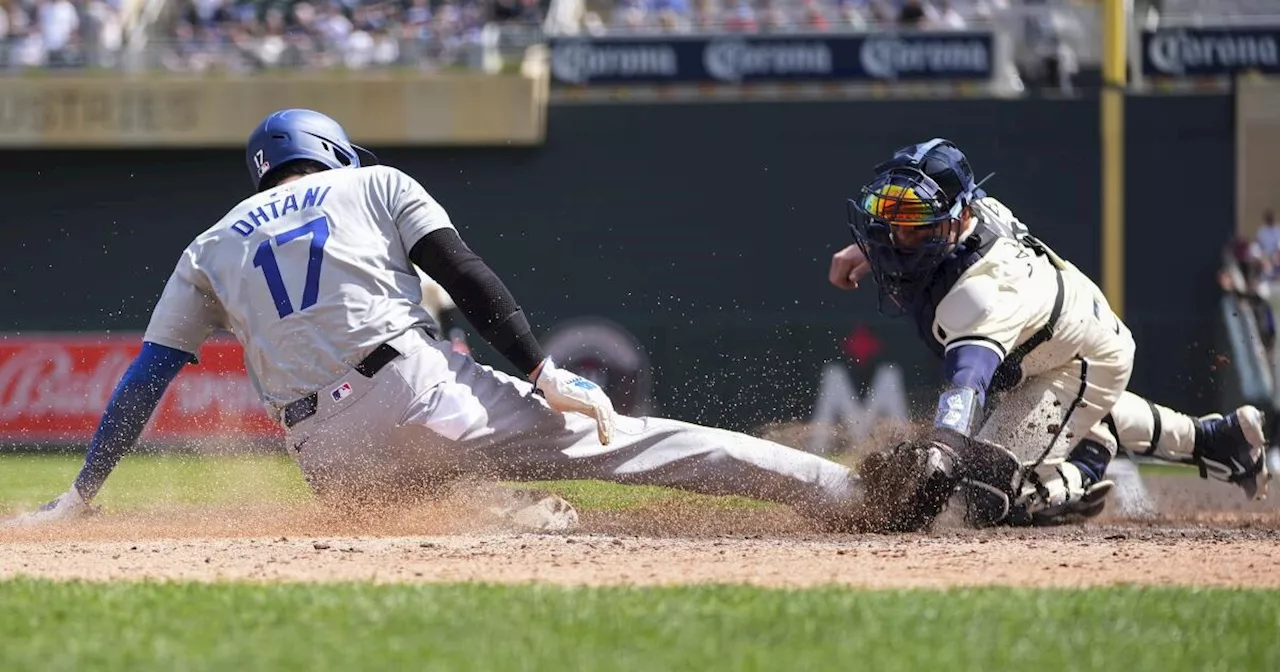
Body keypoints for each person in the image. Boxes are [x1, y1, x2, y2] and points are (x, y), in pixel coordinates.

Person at [6, 109, 862, 531]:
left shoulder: (208, 243)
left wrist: (83, 495)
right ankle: (850, 494)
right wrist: (543, 370)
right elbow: (466, 275)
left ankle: (515, 525)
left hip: (326, 454)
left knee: (429, 510)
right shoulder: (372, 183)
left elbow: (145, 378)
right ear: (330, 151)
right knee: (645, 444)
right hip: (417, 390)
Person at [827, 138, 1271, 529]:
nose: (894, 234)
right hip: (1060, 336)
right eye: (889, 213)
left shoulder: (980, 294)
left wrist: (942, 449)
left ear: (959, 216)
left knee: (982, 492)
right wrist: (865, 250)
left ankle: (1089, 460)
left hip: (1080, 360)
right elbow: (934, 224)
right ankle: (1218, 439)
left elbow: (969, 380)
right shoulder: (976, 211)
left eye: (913, 221)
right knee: (1039, 428)